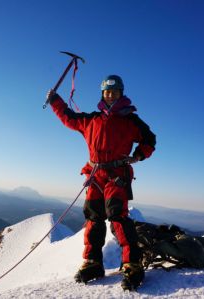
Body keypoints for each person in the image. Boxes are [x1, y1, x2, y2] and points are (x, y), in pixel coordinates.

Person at [46, 74, 156, 291]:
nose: (110, 95)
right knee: (94, 217)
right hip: (95, 175)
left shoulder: (130, 120)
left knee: (118, 216)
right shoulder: (91, 120)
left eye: (114, 92)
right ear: (103, 94)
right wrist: (55, 101)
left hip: (117, 174)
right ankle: (93, 263)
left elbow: (149, 139)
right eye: (107, 92)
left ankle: (132, 264)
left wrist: (138, 156)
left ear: (121, 94)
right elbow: (69, 118)